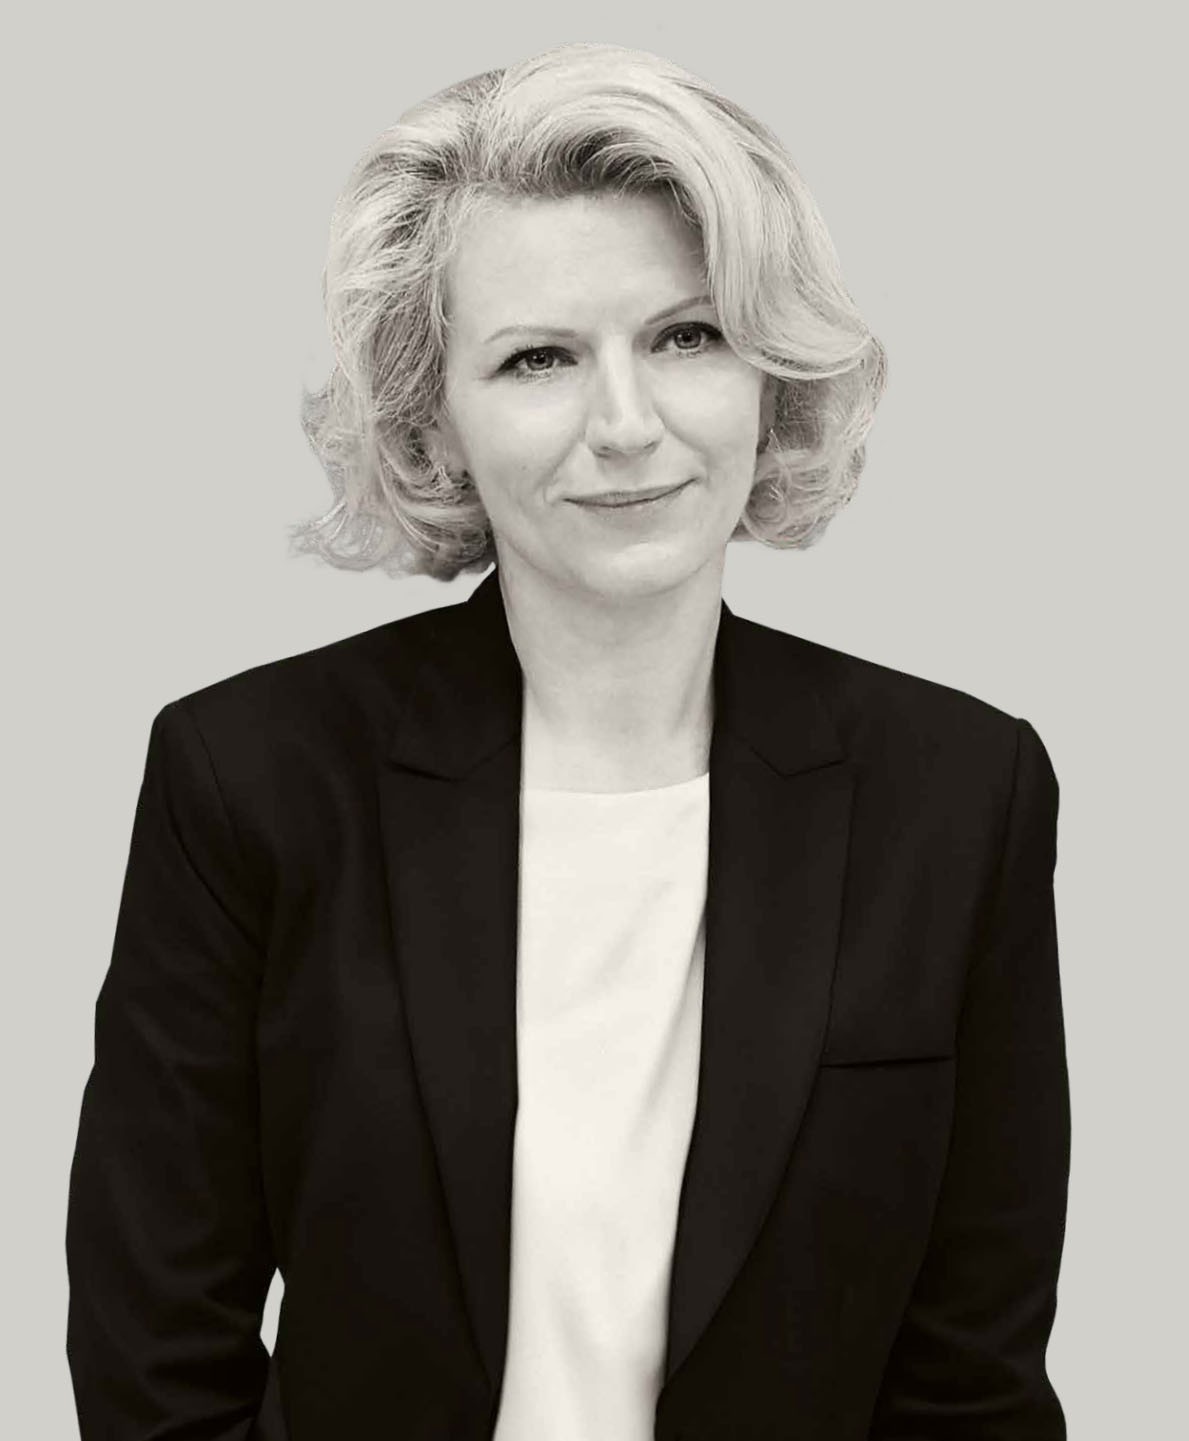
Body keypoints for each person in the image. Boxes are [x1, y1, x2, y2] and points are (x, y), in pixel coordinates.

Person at [65, 41, 1070, 1441]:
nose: (627, 425)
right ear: (434, 422)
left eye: (686, 336)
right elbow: (154, 1358)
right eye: (538, 358)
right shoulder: (251, 780)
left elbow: (973, 1384)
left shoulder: (957, 794)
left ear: (770, 373)